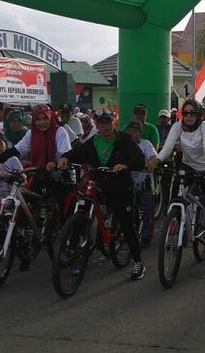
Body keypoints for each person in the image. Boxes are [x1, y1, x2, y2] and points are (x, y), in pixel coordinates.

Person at [59, 109, 147, 280]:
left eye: (107, 122)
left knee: (127, 226)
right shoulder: (94, 141)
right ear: (96, 125)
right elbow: (78, 153)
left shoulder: (124, 139)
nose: (104, 126)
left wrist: (125, 165)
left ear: (113, 122)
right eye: (100, 123)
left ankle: (138, 262)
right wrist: (65, 158)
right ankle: (77, 252)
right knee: (81, 216)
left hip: (121, 189)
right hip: (100, 186)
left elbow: (139, 159)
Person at [148, 99, 205, 267]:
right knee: (176, 193)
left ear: (198, 115)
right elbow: (168, 146)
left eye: (192, 113)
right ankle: (174, 220)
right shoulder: (178, 126)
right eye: (185, 113)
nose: (188, 116)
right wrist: (157, 159)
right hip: (188, 164)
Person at [125, 120, 158, 246]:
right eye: (131, 131)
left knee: (147, 208)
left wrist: (150, 163)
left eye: (136, 131)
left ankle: (146, 235)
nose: (133, 134)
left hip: (142, 177)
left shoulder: (146, 144)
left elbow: (153, 157)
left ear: (140, 133)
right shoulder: (123, 144)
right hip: (126, 177)